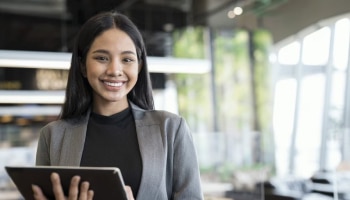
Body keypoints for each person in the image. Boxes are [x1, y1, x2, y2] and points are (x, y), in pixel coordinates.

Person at [32, 10, 203, 200]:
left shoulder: (171, 128)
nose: (115, 70)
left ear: (138, 66)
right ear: (82, 65)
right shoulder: (53, 136)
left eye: (127, 59)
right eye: (102, 58)